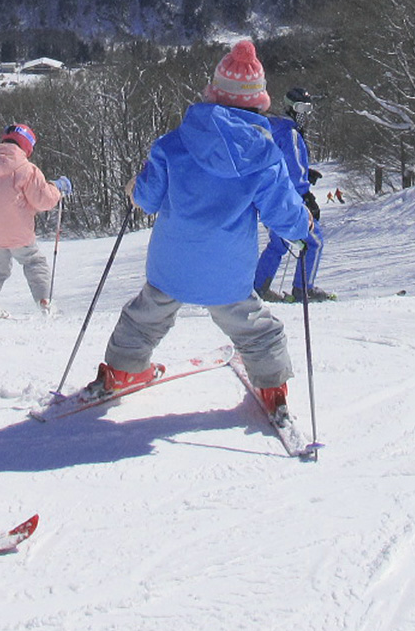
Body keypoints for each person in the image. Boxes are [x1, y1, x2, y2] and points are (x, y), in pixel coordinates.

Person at [87, 39, 314, 415]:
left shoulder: (172, 144)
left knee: (144, 318)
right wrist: (302, 224)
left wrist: (134, 188)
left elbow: (146, 198)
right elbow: (283, 215)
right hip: (228, 273)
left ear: (212, 93)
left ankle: (123, 372)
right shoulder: (265, 156)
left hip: (170, 265)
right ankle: (273, 387)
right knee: (256, 329)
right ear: (259, 101)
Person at [0, 123, 69, 317]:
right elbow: (43, 200)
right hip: (19, 233)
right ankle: (45, 302)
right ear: (27, 146)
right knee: (33, 262)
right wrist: (58, 188)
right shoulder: (27, 170)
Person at [252, 87, 329, 301]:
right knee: (315, 242)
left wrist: (307, 171)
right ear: (290, 107)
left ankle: (259, 288)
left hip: (268, 199)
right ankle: (304, 289)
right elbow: (294, 171)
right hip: (289, 200)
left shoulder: (272, 128)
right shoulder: (290, 133)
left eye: (308, 108)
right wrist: (306, 196)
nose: (304, 113)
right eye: (300, 108)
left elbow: (281, 163)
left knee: (279, 243)